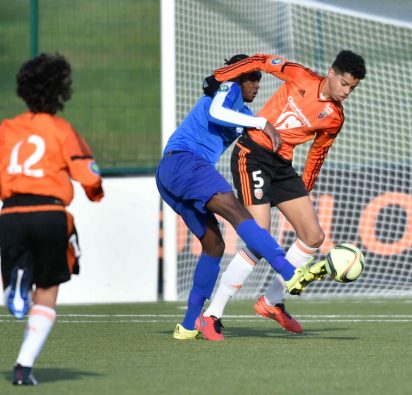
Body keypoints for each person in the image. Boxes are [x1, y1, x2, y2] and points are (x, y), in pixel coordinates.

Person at [156, 54, 328, 342]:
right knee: (240, 214)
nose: (257, 85)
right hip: (185, 162)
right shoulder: (229, 89)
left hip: (172, 176)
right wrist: (261, 122)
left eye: (259, 79)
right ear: (239, 76)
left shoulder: (246, 115)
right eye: (252, 78)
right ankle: (289, 273)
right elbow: (215, 112)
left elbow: (270, 131)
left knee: (213, 245)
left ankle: (188, 326)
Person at [202, 50, 366, 335]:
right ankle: (212, 313)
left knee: (313, 236)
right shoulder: (300, 75)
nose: (347, 91)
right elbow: (260, 61)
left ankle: (271, 302)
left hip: (281, 165)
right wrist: (220, 76)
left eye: (352, 88)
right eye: (344, 84)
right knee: (260, 235)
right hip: (252, 153)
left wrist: (305, 188)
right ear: (331, 73)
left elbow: (317, 154)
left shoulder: (335, 118)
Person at [0, 53, 104, 385]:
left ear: (24, 90)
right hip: (50, 212)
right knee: (47, 290)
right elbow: (87, 173)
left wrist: (3, 187)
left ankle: (15, 287)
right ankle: (23, 365)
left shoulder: (8, 128)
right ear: (60, 91)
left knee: (18, 275)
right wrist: (95, 191)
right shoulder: (62, 130)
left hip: (13, 212)